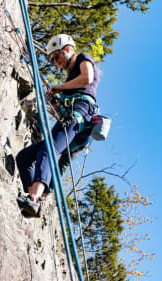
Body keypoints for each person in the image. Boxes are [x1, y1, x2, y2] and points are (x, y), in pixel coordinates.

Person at [16, 34, 100, 217]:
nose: (55, 62)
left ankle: (34, 199)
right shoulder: (71, 79)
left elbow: (87, 78)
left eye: (56, 56)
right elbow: (62, 111)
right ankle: (37, 198)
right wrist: (55, 102)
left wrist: (60, 88)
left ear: (68, 49)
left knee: (48, 150)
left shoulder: (83, 58)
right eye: (52, 59)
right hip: (74, 120)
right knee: (24, 158)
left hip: (79, 115)